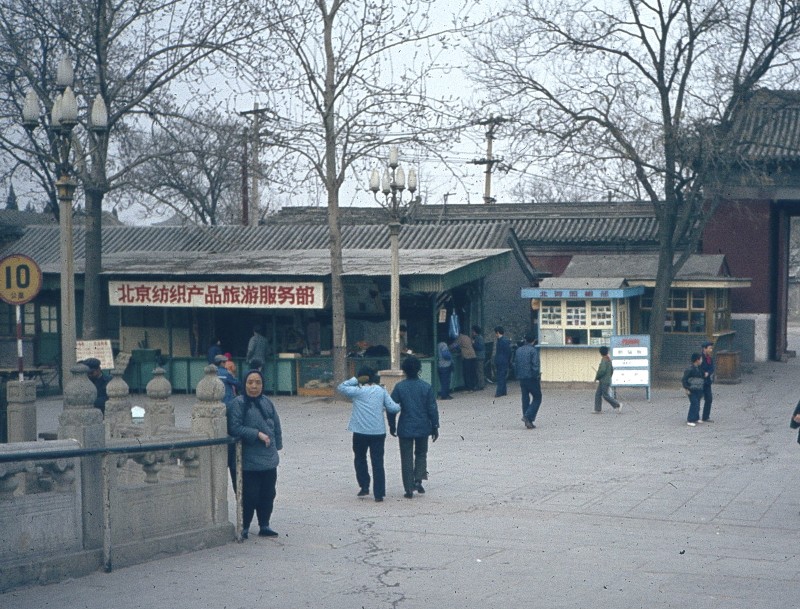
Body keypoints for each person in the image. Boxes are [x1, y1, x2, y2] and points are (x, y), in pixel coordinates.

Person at [227, 369, 283, 539]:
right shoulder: (238, 403)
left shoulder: (267, 402)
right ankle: (244, 526)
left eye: (258, 382)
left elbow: (276, 426)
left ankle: (264, 524)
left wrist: (276, 446)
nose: (254, 386)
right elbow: (234, 427)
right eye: (250, 382)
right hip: (248, 459)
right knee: (249, 495)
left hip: (268, 458)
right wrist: (256, 434)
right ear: (244, 384)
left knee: (268, 493)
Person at [337, 366, 400, 502]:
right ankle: (379, 493)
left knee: (360, 458)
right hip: (378, 432)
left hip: (359, 432)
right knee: (378, 461)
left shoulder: (357, 391)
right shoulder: (381, 390)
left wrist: (355, 380)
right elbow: (393, 408)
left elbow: (341, 387)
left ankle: (364, 486)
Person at [389, 356, 440, 499]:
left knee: (406, 457)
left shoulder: (400, 387)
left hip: (405, 426)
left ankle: (408, 488)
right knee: (421, 453)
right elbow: (432, 409)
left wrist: (391, 424)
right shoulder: (426, 387)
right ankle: (418, 479)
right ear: (419, 369)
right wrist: (435, 426)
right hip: (423, 426)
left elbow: (392, 408)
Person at [514, 331, 542, 429]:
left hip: (521, 377)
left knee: (525, 399)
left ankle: (528, 421)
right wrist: (536, 375)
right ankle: (528, 416)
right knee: (537, 397)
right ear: (534, 340)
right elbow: (535, 365)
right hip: (531, 377)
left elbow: (515, 364)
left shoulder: (518, 350)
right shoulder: (533, 350)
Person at [593, 346, 621, 413]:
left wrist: (597, 377)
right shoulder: (608, 359)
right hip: (606, 380)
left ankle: (618, 405)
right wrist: (609, 377)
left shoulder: (604, 360)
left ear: (601, 353)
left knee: (605, 395)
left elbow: (602, 370)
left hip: (604, 380)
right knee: (598, 394)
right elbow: (611, 370)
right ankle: (597, 409)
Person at [682, 352, 705, 426]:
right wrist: (686, 388)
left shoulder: (699, 368)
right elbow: (684, 379)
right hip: (691, 389)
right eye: (700, 359)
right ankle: (690, 419)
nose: (701, 360)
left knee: (697, 403)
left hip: (699, 389)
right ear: (697, 360)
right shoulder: (690, 369)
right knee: (694, 403)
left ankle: (696, 418)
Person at [494, 326, 512, 397]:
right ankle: (503, 391)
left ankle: (499, 392)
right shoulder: (505, 341)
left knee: (500, 376)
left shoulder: (501, 341)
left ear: (497, 333)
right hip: (504, 360)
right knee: (502, 376)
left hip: (501, 361)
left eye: (495, 333)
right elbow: (509, 352)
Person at [700, 341, 715, 422]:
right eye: (710, 348)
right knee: (697, 399)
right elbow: (697, 367)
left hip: (707, 381)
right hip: (699, 381)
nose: (711, 350)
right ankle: (694, 416)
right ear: (704, 349)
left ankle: (705, 416)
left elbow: (712, 368)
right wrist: (703, 373)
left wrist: (708, 373)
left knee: (709, 399)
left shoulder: (710, 358)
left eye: (711, 348)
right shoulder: (700, 358)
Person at [472, 325, 486, 390]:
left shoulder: (479, 338)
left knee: (479, 371)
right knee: (479, 371)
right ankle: (481, 384)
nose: (472, 332)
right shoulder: (479, 337)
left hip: (479, 356)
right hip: (480, 356)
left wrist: (473, 344)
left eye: (473, 331)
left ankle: (481, 385)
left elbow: (480, 347)